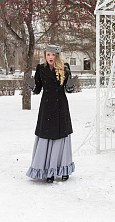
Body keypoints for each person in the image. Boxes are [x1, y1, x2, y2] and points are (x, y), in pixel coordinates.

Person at [25, 44, 78, 183]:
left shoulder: (64, 67)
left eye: (53, 55)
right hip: (47, 106)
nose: (50, 57)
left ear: (57, 56)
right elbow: (37, 90)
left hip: (61, 106)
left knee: (61, 138)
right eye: (48, 54)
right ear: (45, 55)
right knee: (46, 137)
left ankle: (63, 169)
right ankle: (48, 170)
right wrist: (32, 85)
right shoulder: (40, 69)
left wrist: (71, 85)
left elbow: (68, 89)